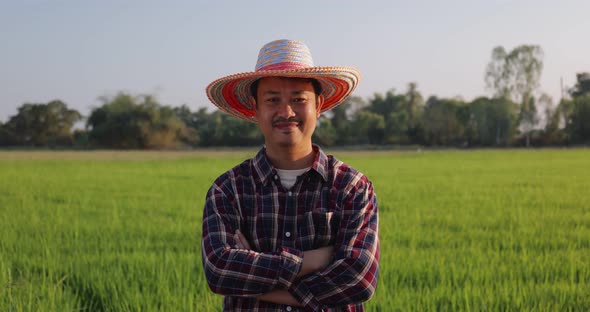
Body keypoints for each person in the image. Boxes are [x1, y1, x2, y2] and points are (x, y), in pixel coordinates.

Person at [201, 39, 379, 311]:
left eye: (298, 99)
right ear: (256, 108)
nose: (286, 112)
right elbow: (219, 270)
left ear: (318, 105)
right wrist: (314, 261)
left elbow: (358, 279)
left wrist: (258, 281)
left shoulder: (351, 187)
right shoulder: (228, 190)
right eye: (273, 100)